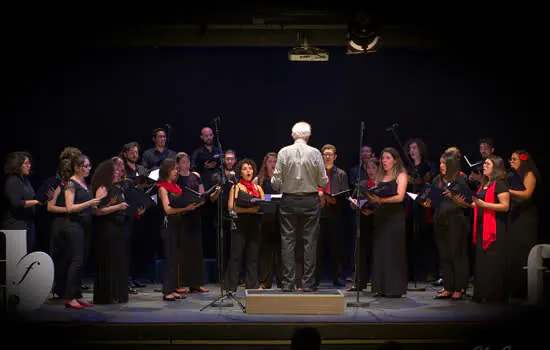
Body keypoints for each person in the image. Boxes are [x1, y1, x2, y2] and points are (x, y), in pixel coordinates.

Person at [271, 121, 328, 292]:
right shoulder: (315, 153)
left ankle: (288, 283)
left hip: (289, 199)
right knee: (310, 241)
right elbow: (323, 181)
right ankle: (308, 283)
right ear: (308, 136)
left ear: (292, 135)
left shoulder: (283, 152)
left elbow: (275, 183)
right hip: (310, 199)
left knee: (287, 240)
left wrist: (284, 184)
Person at [426, 150, 470, 301]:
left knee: (456, 254)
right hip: (440, 218)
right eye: (440, 163)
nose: (441, 165)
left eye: (444, 163)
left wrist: (453, 197)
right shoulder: (437, 179)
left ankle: (459, 287)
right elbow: (433, 200)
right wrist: (427, 203)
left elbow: (467, 204)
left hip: (456, 220)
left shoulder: (460, 179)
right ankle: (448, 287)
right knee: (444, 254)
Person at [365, 147, 408, 298]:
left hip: (394, 218)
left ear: (395, 160)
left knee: (393, 253)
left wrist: (381, 200)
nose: (385, 161)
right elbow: (376, 197)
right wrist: (369, 206)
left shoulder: (401, 175)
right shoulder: (379, 176)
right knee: (381, 251)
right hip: (381, 216)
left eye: (388, 158)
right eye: (383, 158)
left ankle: (394, 288)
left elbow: (400, 197)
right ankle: (381, 287)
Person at [156, 158, 200, 301]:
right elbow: (168, 210)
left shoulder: (176, 187)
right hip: (168, 225)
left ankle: (174, 288)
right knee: (170, 258)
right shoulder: (162, 187)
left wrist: (193, 203)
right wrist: (186, 208)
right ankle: (167, 290)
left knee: (176, 258)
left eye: (176, 169)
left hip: (178, 224)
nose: (176, 171)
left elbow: (180, 203)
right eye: (174, 169)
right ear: (166, 171)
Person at [469, 155, 510, 303]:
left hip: (494, 227)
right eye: (484, 163)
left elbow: (505, 206)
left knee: (493, 261)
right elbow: (477, 204)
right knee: (482, 260)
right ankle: (482, 293)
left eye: (487, 164)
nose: (484, 166)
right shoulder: (484, 184)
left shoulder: (500, 184)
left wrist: (484, 204)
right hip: (481, 225)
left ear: (496, 167)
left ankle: (495, 295)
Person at [91, 159, 131, 304]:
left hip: (119, 229)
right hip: (107, 229)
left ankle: (118, 294)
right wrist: (118, 207)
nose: (118, 173)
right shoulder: (103, 188)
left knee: (118, 261)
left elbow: (124, 206)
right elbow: (96, 211)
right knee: (108, 261)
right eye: (114, 171)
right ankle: (107, 295)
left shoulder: (119, 189)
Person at [223, 158, 265, 292]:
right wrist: (250, 210)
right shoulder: (235, 187)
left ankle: (252, 284)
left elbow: (262, 206)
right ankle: (230, 286)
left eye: (250, 168)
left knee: (253, 256)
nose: (248, 171)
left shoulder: (258, 188)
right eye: (245, 169)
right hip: (239, 223)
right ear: (240, 172)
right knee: (236, 256)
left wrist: (253, 210)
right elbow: (231, 207)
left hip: (254, 224)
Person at [505, 150, 540, 300]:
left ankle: (525, 288)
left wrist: (507, 191)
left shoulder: (529, 174)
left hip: (526, 216)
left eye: (514, 159)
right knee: (513, 251)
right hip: (516, 214)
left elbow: (527, 194)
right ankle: (514, 288)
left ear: (522, 161)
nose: (511, 162)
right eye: (510, 159)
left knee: (523, 249)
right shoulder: (513, 176)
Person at [316, 144, 348, 287]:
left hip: (335, 214)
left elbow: (345, 195)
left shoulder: (341, 174)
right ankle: (314, 278)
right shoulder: (316, 172)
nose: (327, 157)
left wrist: (330, 198)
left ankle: (337, 277)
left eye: (330, 154)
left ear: (335, 157)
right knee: (317, 249)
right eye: (325, 154)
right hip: (319, 214)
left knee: (337, 248)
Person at [254, 152, 283, 289]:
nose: (273, 163)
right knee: (265, 250)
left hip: (281, 218)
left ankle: (283, 282)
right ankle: (265, 281)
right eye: (270, 161)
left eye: (275, 161)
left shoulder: (283, 179)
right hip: (265, 219)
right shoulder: (259, 179)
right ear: (265, 164)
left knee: (282, 250)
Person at [1, 151, 41, 253]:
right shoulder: (13, 180)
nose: (29, 166)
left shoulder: (25, 180)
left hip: (27, 223)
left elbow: (31, 197)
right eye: (26, 163)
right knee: (18, 256)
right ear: (18, 164)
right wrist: (36, 201)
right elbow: (16, 203)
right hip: (16, 225)